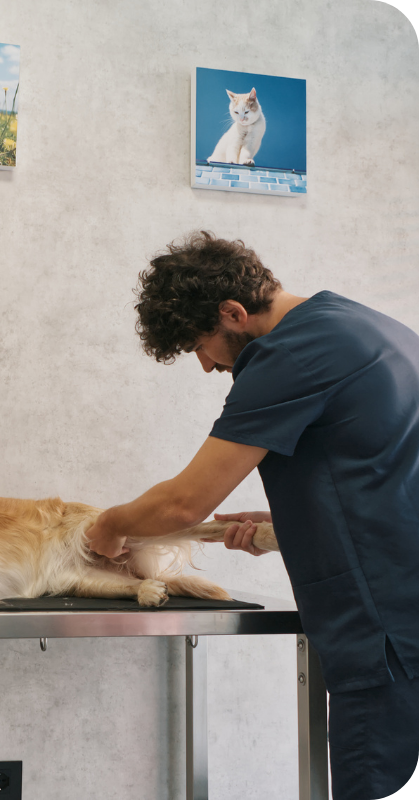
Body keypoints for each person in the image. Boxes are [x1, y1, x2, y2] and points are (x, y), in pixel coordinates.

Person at [86, 231, 419, 799]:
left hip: (387, 639)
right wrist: (287, 522)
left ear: (233, 313)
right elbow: (384, 478)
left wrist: (110, 526)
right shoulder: (367, 326)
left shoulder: (288, 355)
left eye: (201, 345)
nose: (205, 365)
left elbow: (184, 502)